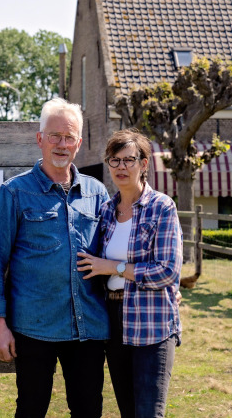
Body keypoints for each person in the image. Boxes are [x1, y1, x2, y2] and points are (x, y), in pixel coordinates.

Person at [0, 98, 110, 417]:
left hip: (88, 326)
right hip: (35, 327)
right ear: (40, 139)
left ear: (78, 143)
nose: (62, 145)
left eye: (69, 137)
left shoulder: (97, 193)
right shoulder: (15, 192)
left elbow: (113, 254)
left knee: (89, 410)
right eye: (55, 136)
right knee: (31, 409)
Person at [77, 129, 182, 418]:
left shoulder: (162, 207)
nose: (121, 167)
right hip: (113, 319)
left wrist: (114, 267)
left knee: (148, 413)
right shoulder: (106, 211)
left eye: (129, 160)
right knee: (127, 410)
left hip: (152, 320)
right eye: (114, 160)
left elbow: (168, 272)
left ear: (144, 164)